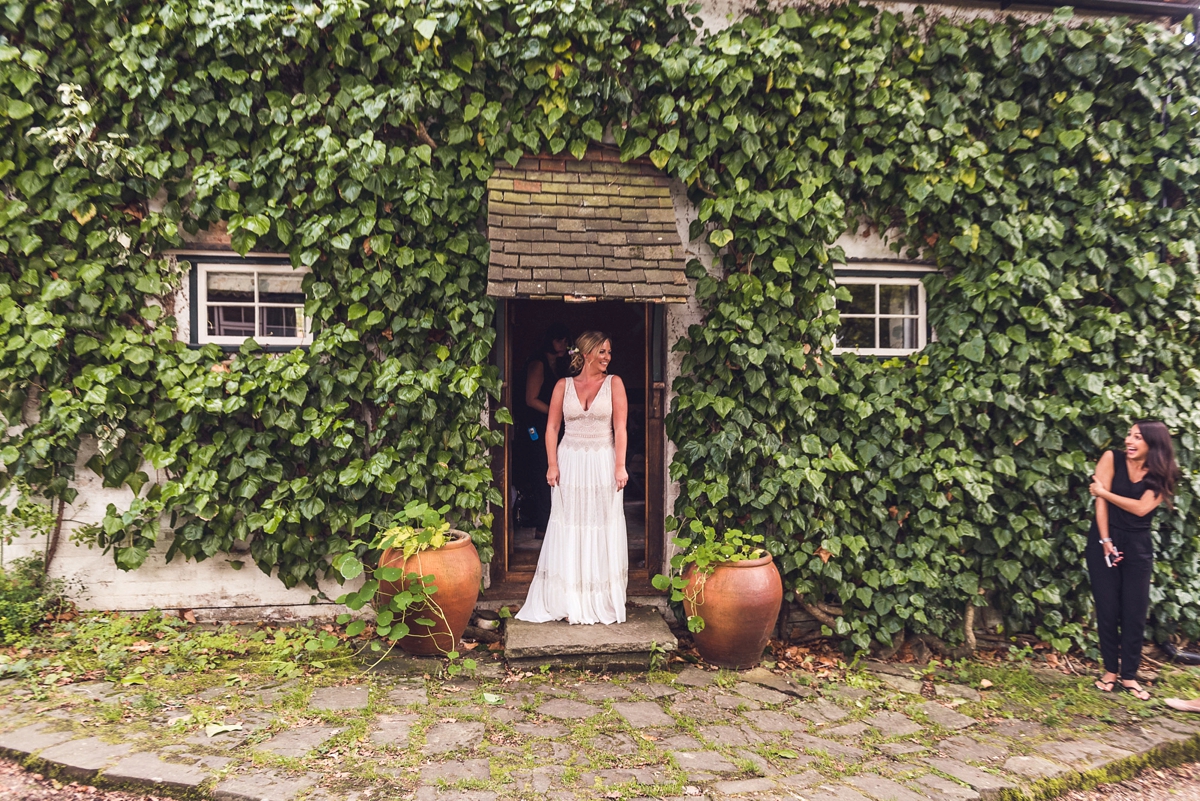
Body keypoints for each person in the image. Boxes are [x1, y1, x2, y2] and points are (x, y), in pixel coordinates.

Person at [515, 331, 629, 625]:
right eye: (602, 352)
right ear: (588, 353)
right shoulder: (562, 386)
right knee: (570, 524)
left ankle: (598, 597)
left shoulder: (614, 383)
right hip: (570, 461)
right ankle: (568, 596)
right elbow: (552, 428)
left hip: (602, 460)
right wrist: (552, 465)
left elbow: (621, 429)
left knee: (600, 524)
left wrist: (620, 466)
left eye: (609, 352)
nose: (607, 358)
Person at [1086, 420, 1181, 701]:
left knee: (1134, 611)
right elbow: (1099, 506)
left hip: (1138, 545)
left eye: (1137, 437)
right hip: (1104, 539)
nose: (1130, 440)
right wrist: (1105, 542)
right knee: (1106, 607)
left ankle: (1129, 676)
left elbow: (1141, 509)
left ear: (1153, 443)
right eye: (1129, 434)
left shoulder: (1163, 473)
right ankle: (1109, 673)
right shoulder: (1111, 458)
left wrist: (1103, 491)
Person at [518, 323, 571, 536]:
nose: (563, 345)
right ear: (549, 341)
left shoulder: (558, 364)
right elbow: (530, 399)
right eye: (559, 340)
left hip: (552, 423)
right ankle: (543, 525)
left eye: (566, 341)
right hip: (538, 426)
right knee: (543, 471)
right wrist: (556, 412)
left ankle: (553, 522)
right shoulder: (538, 364)